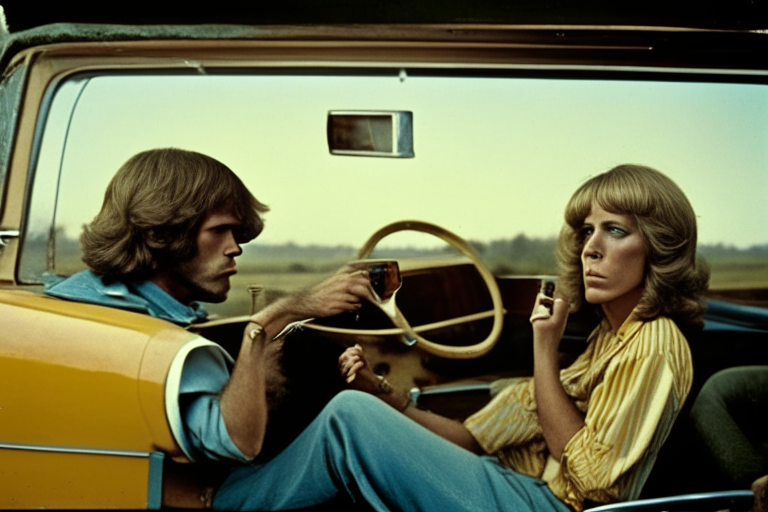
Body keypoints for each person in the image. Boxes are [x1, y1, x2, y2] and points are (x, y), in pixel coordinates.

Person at [211, 164, 710, 512]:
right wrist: (384, 394)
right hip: (519, 486)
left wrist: (543, 350)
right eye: (586, 231)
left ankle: (214, 503)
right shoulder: (610, 336)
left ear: (659, 247)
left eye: (616, 231)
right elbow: (476, 439)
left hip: (549, 507)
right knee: (355, 409)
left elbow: (599, 486)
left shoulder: (655, 345)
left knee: (348, 421)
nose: (591, 248)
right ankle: (230, 495)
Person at [44, 147, 376, 465]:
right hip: (207, 488)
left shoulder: (114, 297)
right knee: (352, 422)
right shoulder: (135, 327)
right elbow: (237, 443)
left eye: (235, 233)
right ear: (164, 232)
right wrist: (279, 314)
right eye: (219, 230)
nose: (235, 248)